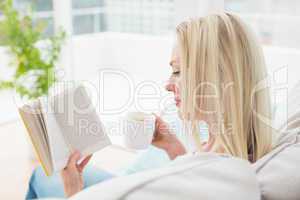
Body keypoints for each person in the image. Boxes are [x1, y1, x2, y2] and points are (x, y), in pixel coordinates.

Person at [26, 12, 274, 199]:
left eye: (178, 71)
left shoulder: (221, 174)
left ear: (217, 79)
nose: (168, 85)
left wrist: (74, 190)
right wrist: (174, 148)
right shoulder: (230, 147)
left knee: (40, 176)